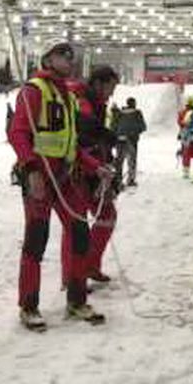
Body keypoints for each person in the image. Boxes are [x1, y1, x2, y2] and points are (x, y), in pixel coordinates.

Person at [9, 39, 114, 331]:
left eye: (70, 57)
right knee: (36, 239)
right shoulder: (33, 91)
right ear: (48, 59)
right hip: (40, 177)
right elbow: (17, 133)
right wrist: (31, 169)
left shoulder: (67, 95)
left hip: (65, 177)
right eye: (62, 56)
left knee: (80, 234)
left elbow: (70, 144)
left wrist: (95, 166)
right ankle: (28, 306)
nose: (69, 60)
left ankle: (77, 301)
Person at [64, 66, 120, 288]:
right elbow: (85, 129)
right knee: (76, 225)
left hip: (96, 169)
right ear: (98, 83)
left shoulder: (98, 104)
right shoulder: (80, 100)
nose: (112, 93)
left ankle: (89, 266)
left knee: (107, 215)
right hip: (77, 171)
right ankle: (72, 278)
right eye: (110, 87)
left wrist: (106, 158)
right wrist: (105, 136)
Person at [110, 97, 147, 187]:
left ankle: (118, 180)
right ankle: (130, 179)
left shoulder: (119, 113)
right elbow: (143, 127)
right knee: (132, 160)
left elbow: (113, 125)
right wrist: (136, 132)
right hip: (131, 139)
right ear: (134, 104)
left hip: (119, 139)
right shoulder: (137, 113)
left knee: (119, 160)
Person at [177, 96, 193, 179]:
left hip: (185, 136)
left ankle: (186, 171)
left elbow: (179, 122)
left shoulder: (182, 112)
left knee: (186, 153)